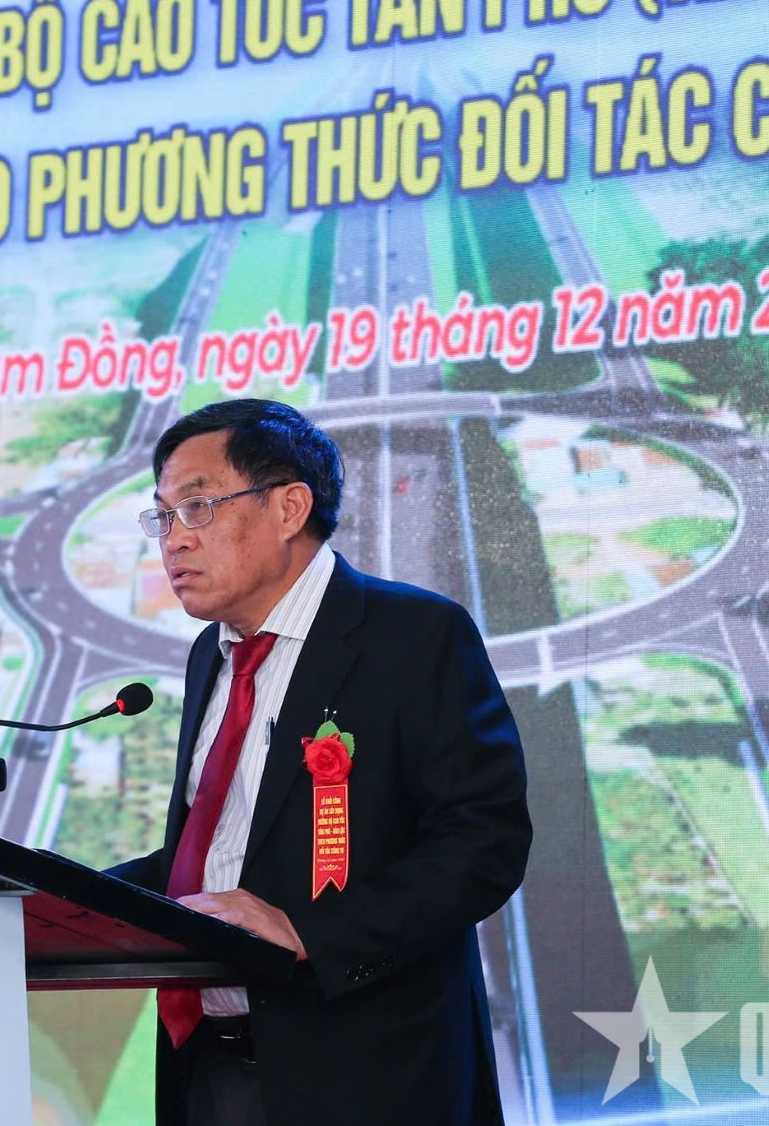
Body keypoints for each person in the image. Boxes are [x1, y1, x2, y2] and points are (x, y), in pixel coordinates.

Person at [108, 398, 532, 1126]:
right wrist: (52, 892)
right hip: (210, 1065)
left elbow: (482, 842)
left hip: (366, 1074)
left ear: (289, 507)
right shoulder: (211, 656)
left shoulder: (413, 636)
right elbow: (214, 853)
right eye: (163, 516)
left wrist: (311, 933)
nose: (174, 540)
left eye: (198, 507)